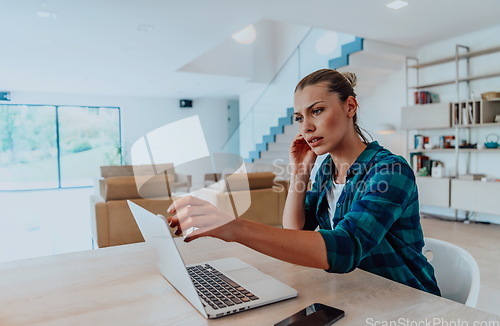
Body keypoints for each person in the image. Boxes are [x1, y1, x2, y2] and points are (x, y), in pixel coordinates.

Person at [165, 68, 440, 296]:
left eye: (316, 111)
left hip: (407, 298)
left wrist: (235, 228)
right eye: (299, 118)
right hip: (358, 290)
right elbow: (295, 227)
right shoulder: (326, 171)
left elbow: (346, 248)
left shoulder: (390, 170)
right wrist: (300, 173)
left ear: (350, 107)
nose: (305, 127)